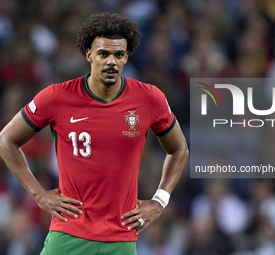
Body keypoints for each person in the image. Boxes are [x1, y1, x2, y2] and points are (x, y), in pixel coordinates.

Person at [0, 13, 189, 255]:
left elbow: (179, 149)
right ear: (88, 54)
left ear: (127, 57)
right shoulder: (57, 97)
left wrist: (160, 200)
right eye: (103, 54)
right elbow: (7, 140)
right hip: (68, 235)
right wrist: (38, 193)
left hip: (121, 238)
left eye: (119, 55)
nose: (111, 61)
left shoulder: (149, 98)